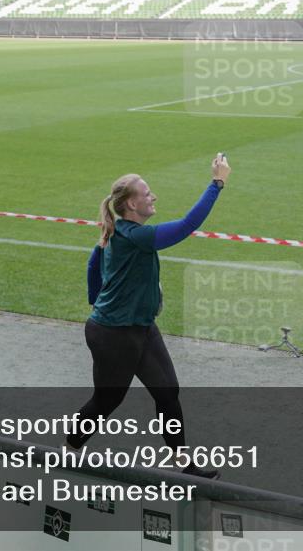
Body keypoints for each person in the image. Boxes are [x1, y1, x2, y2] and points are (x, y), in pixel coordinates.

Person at [66, 153, 232, 479]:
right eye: (146, 193)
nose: (153, 196)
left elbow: (93, 263)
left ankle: (182, 463)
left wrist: (97, 298)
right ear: (130, 205)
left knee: (168, 391)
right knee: (107, 401)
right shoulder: (135, 235)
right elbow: (187, 226)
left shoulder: (119, 232)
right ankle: (68, 450)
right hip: (113, 334)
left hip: (140, 328)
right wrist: (217, 183)